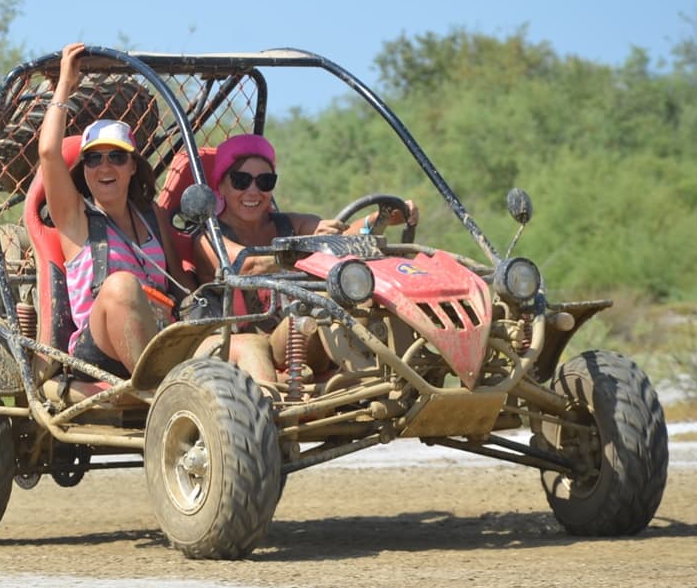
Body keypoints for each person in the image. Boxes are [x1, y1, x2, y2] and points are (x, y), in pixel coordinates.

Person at [192, 133, 418, 379]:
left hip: (297, 332)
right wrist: (307, 246)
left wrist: (376, 220)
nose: (253, 191)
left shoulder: (292, 224)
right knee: (321, 300)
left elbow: (338, 239)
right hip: (243, 341)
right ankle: (371, 379)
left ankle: (406, 378)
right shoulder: (208, 238)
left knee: (368, 293)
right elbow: (247, 265)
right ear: (221, 186)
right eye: (241, 180)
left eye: (265, 181)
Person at [38, 43, 192, 380]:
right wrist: (66, 83)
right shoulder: (75, 218)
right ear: (85, 168)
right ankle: (159, 390)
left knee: (243, 345)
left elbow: (178, 283)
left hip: (161, 335)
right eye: (94, 158)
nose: (105, 166)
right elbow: (49, 152)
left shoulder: (151, 216)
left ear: (133, 167)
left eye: (117, 157)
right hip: (99, 353)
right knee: (121, 285)